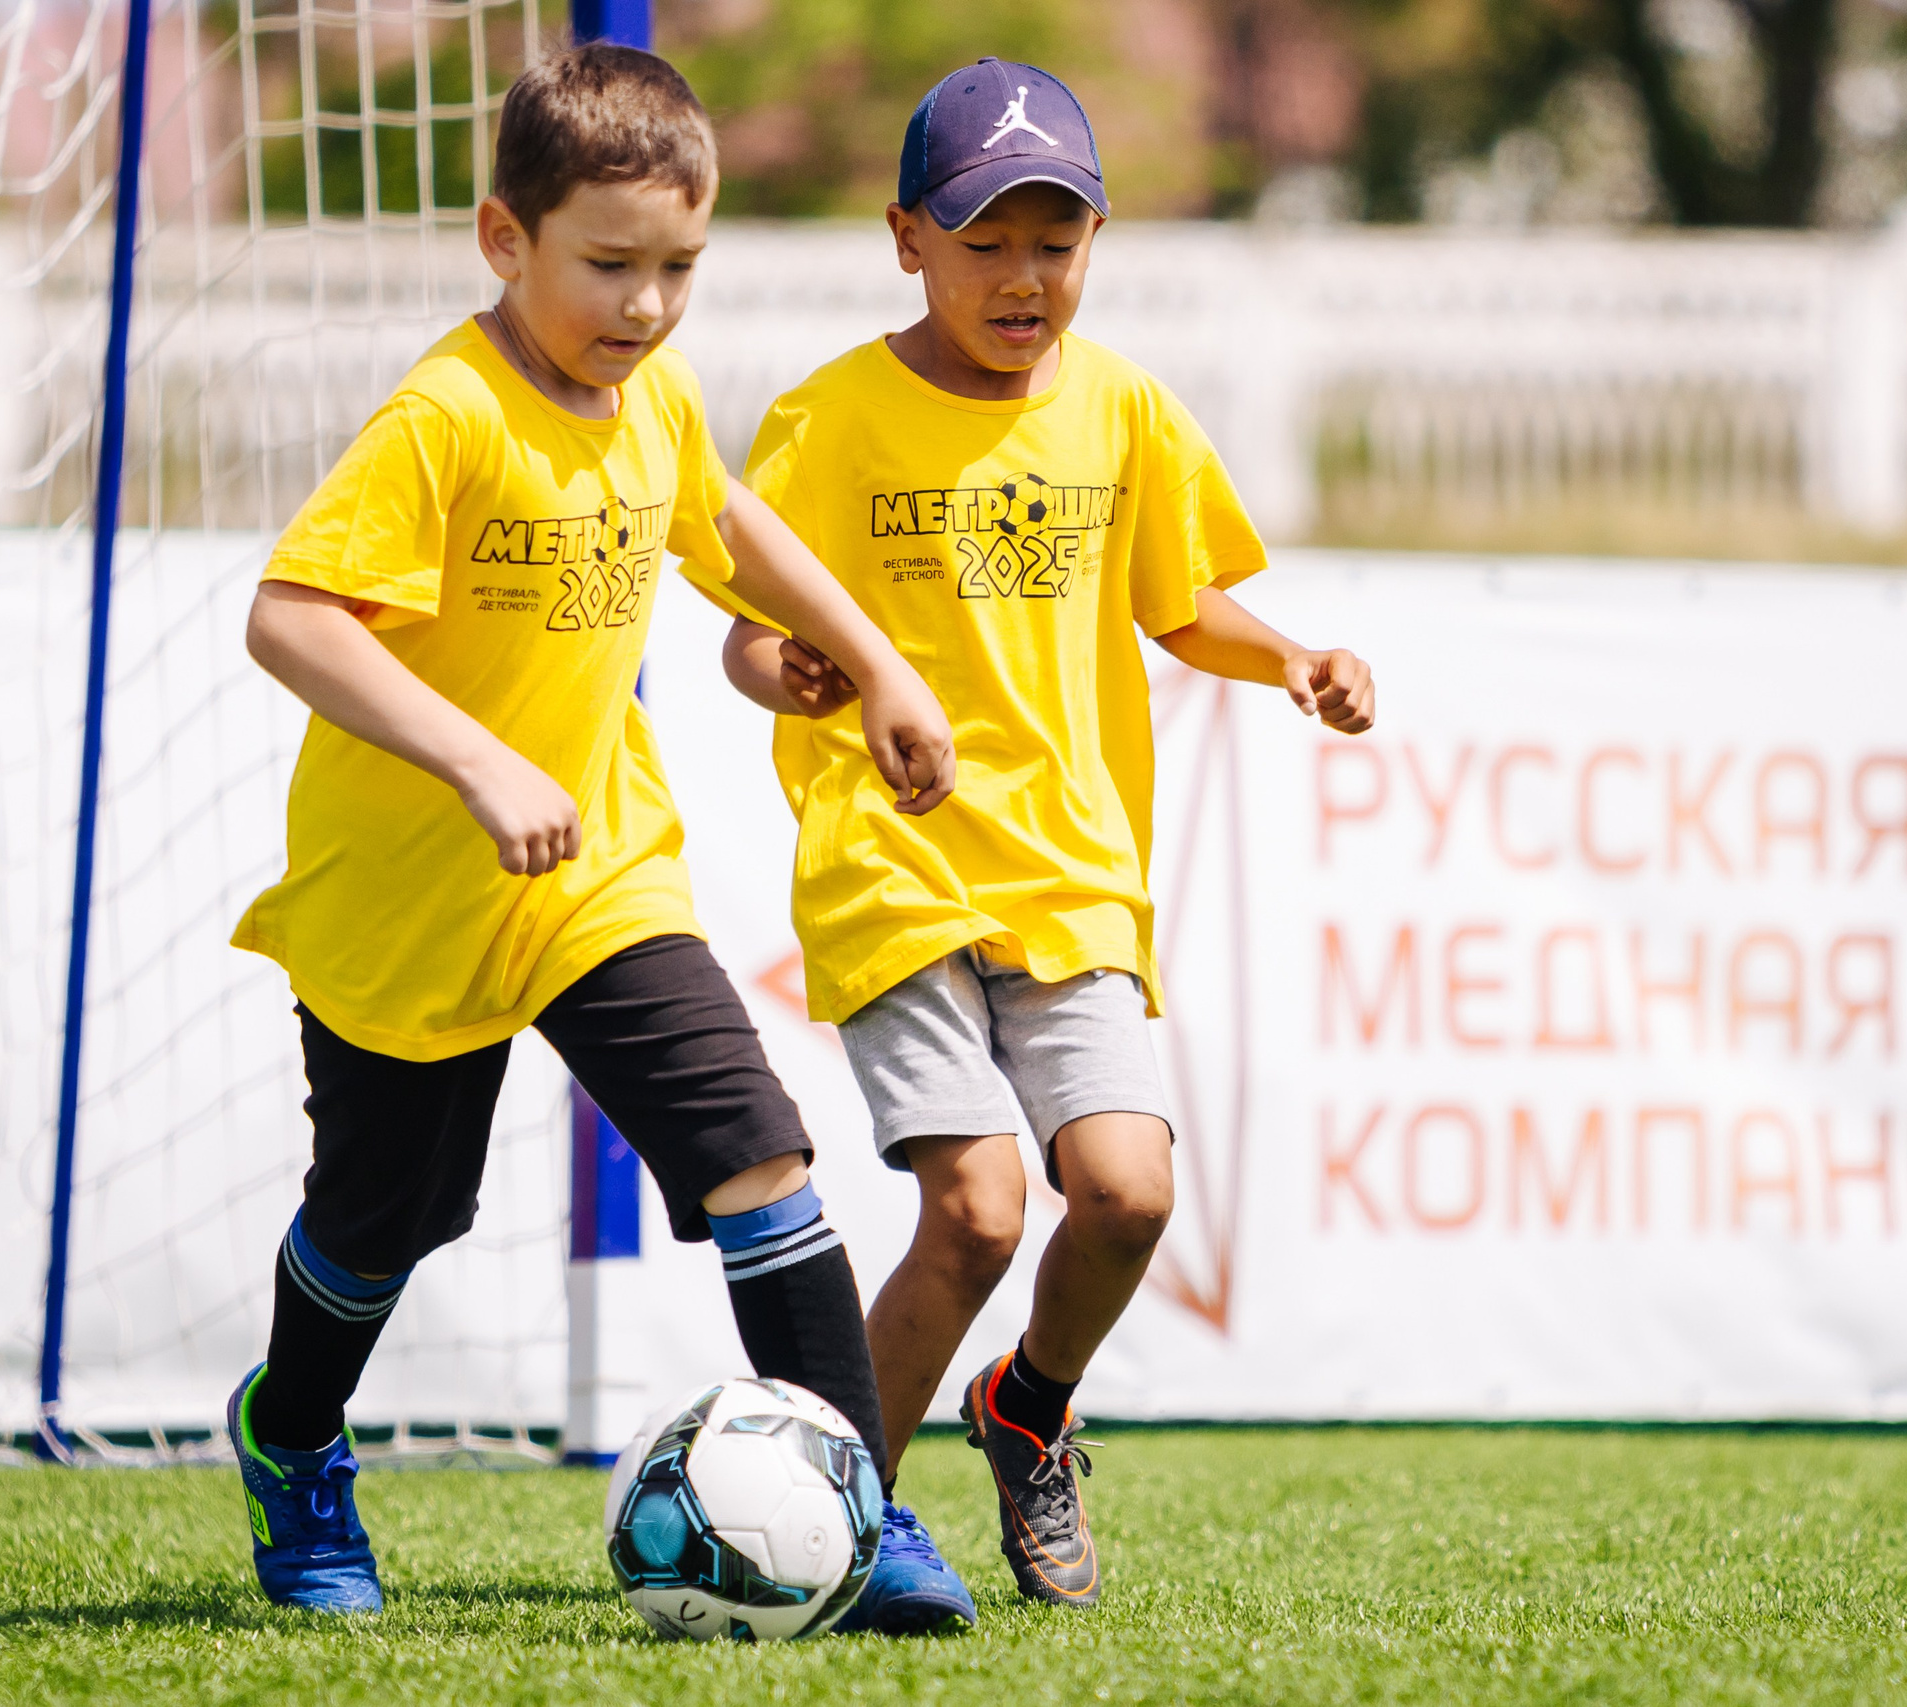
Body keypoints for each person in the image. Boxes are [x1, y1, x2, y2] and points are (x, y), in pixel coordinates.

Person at [224, 43, 959, 1622]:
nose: (644, 307)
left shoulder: (655, 401)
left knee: (755, 1150)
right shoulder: (446, 415)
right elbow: (289, 618)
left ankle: (863, 1499)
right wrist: (481, 765)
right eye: (608, 266)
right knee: (384, 1223)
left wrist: (884, 665)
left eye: (679, 268)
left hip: (602, 879)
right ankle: (290, 1440)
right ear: (508, 241)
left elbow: (733, 526)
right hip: (407, 902)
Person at [720, 58, 1377, 1611]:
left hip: (1074, 872)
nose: (1025, 277)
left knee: (1130, 1193)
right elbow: (747, 638)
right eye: (985, 239)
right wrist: (794, 666)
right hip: (894, 864)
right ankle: (834, 1530)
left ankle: (1025, 1410)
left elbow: (1180, 599)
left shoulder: (1128, 408)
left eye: (1057, 241)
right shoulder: (830, 418)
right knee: (977, 1206)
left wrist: (1289, 657)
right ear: (907, 240)